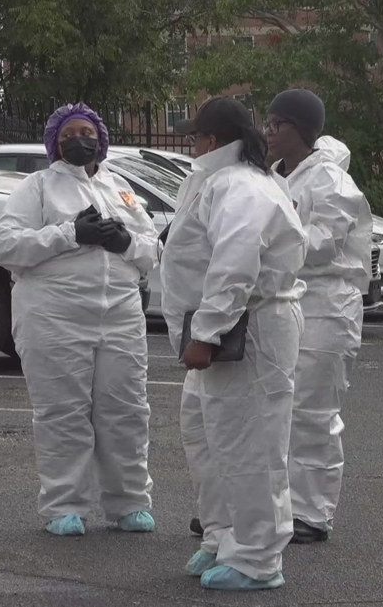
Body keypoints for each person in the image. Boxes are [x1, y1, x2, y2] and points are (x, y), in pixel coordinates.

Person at [0, 103, 157, 538]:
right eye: (69, 134)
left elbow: (151, 250)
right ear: (55, 143)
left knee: (125, 411)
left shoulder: (119, 188)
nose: (78, 139)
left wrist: (125, 242)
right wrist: (70, 234)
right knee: (62, 413)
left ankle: (129, 503)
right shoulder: (38, 187)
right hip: (54, 316)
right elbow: (7, 247)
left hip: (119, 316)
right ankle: (65, 506)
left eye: (87, 132)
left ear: (100, 139)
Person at [164, 97, 306, 591]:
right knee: (209, 436)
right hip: (227, 330)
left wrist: (206, 332)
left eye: (195, 136)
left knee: (251, 444)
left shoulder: (240, 187)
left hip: (246, 330)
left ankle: (259, 558)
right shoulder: (216, 181)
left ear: (214, 140)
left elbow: (236, 262)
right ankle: (224, 537)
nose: (191, 144)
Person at [265, 89, 372, 544]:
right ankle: (268, 509)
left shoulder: (330, 181)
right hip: (286, 300)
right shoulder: (273, 176)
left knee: (313, 410)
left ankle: (312, 512)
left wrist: (267, 235)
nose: (268, 132)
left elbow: (323, 241)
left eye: (278, 125)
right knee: (273, 407)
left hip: (328, 304)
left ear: (303, 130)